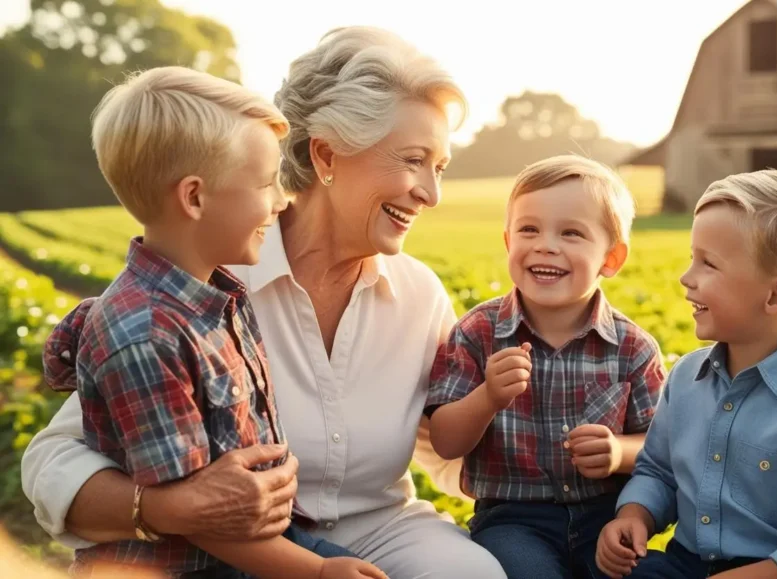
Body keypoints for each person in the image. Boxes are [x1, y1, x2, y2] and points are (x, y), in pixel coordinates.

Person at [22, 26, 505, 579]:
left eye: (439, 168)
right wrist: (166, 507)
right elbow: (52, 460)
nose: (431, 193)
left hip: (381, 529)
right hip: (232, 550)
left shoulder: (420, 295)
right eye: (413, 160)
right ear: (326, 154)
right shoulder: (201, 281)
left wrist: (596, 456)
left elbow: (447, 452)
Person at [42, 65, 387, 579]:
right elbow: (199, 513)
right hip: (186, 565)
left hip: (253, 542)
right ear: (195, 197)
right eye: (266, 184)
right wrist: (315, 572)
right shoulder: (145, 336)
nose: (280, 200)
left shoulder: (215, 294)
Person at [595, 170, 777, 579]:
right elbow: (658, 471)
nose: (686, 277)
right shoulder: (685, 378)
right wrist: (634, 515)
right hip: (687, 563)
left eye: (708, 264)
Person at [425, 155, 667, 579]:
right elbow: (445, 442)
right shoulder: (477, 334)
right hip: (512, 520)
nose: (546, 245)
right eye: (529, 229)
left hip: (604, 518)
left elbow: (661, 448)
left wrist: (618, 452)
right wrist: (487, 398)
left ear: (611, 259)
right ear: (508, 242)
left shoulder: (632, 348)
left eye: (571, 233)